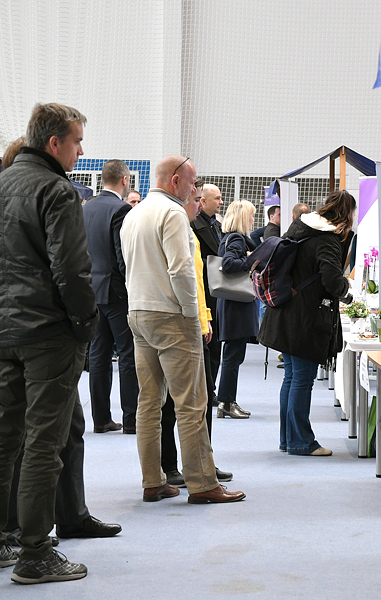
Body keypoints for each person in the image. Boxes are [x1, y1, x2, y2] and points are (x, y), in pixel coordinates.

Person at [0, 102, 100, 584]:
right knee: (45, 443)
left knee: (2, 438)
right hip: (48, 333)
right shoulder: (57, 190)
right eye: (77, 141)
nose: (80, 151)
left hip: (4, 331)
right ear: (54, 143)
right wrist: (85, 324)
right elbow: (72, 269)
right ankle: (35, 553)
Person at [121, 155, 245, 505]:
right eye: (192, 183)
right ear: (175, 180)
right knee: (191, 404)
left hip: (139, 313)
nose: (194, 190)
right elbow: (181, 271)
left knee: (149, 402)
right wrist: (193, 316)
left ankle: (152, 480)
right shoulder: (173, 213)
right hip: (172, 317)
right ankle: (203, 483)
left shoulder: (134, 214)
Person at [259, 189, 355, 456]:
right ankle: (301, 441)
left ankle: (288, 438)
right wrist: (346, 289)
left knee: (292, 377)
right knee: (302, 379)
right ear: (345, 214)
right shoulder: (327, 238)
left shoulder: (299, 228)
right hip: (305, 317)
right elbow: (331, 280)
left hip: (285, 311)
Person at [162, 180, 233, 487]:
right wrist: (197, 319)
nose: (201, 205)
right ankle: (179, 466)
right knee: (179, 400)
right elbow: (184, 279)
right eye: (198, 200)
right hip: (182, 323)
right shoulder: (182, 228)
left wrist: (204, 318)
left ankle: (201, 461)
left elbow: (198, 281)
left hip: (200, 320)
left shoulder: (196, 228)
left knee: (201, 396)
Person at [83, 159, 137, 435]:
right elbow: (122, 255)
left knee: (98, 355)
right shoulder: (122, 209)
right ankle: (131, 419)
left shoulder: (86, 207)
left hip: (91, 291)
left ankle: (101, 419)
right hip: (117, 293)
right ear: (125, 180)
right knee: (128, 354)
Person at [215, 199, 259, 420]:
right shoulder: (237, 239)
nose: (253, 219)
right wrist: (250, 262)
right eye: (251, 215)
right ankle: (226, 402)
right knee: (233, 356)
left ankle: (227, 401)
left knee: (232, 356)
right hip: (237, 305)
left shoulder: (231, 238)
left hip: (232, 303)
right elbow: (229, 264)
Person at [191, 183, 224, 410]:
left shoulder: (217, 225)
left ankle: (210, 388)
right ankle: (206, 389)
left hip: (216, 290)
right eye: (217, 198)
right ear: (203, 201)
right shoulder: (193, 225)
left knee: (216, 344)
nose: (221, 202)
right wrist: (215, 264)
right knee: (208, 344)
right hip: (204, 291)